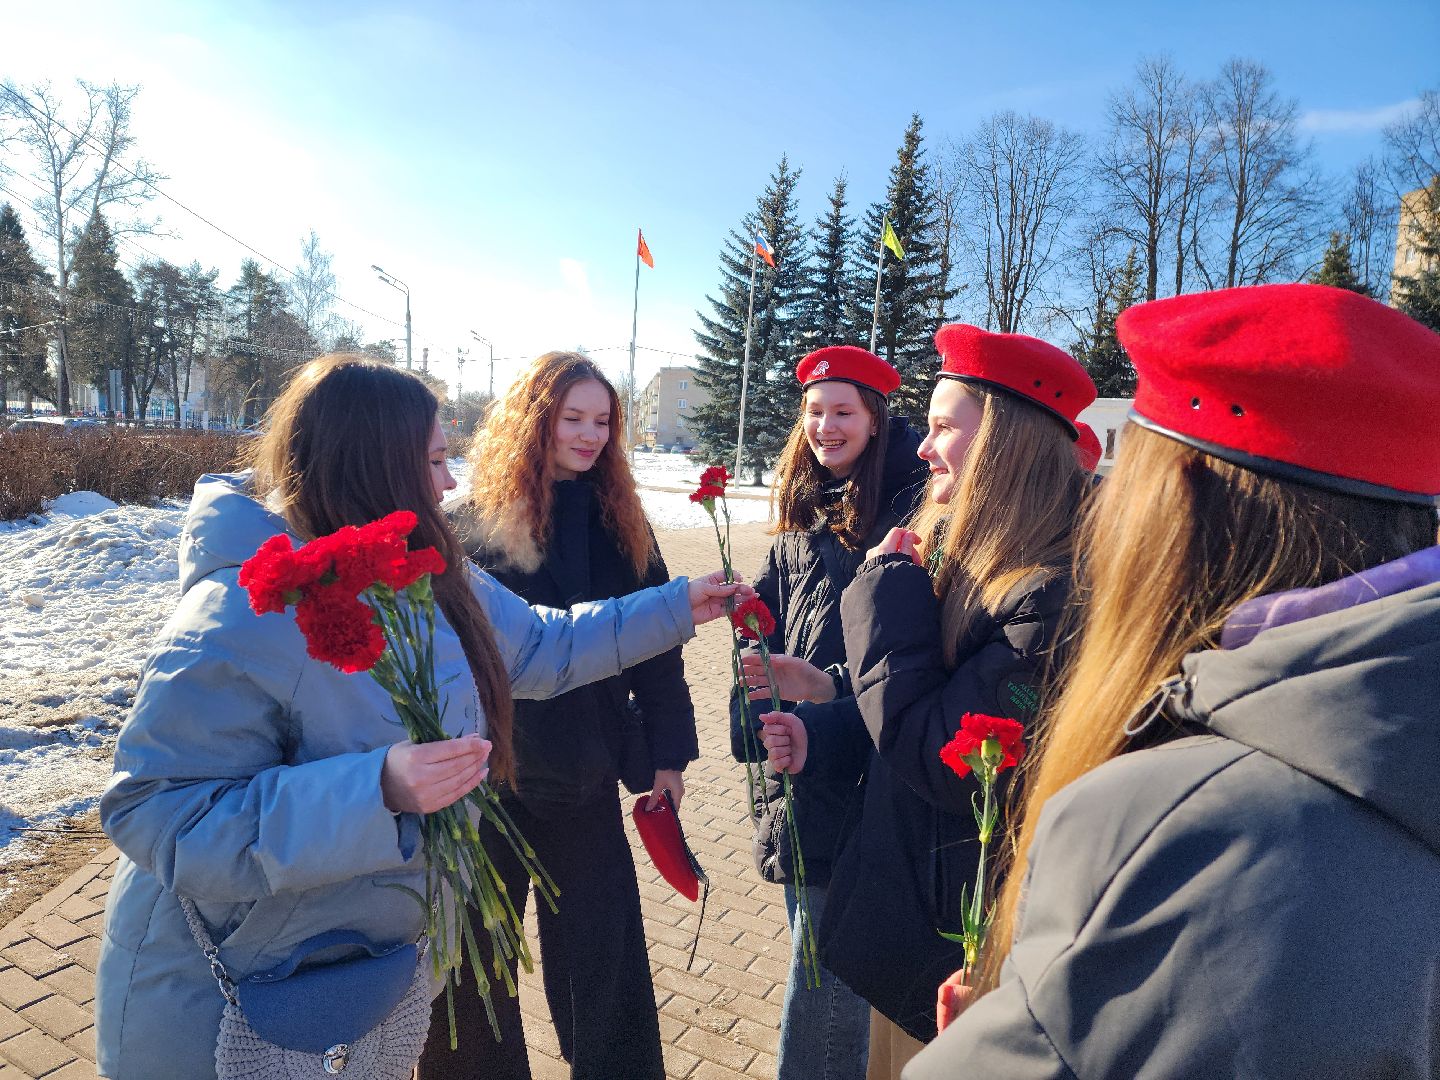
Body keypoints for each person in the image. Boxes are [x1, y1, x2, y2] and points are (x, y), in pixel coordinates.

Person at [94, 354, 747, 1080]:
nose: (447, 480)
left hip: (348, 978)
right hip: (226, 1000)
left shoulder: (423, 569)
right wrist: (375, 790)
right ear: (373, 464)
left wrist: (674, 607)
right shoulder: (238, 612)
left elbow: (541, 645)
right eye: (434, 459)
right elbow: (155, 812)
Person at [907, 284, 1440, 1079]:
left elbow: (925, 742)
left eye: (1130, 479)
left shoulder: (1162, 817)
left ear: (1180, 510)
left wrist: (1014, 1027)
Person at [757, 325, 1094, 1080]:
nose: (923, 445)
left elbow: (945, 759)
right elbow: (920, 702)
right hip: (914, 929)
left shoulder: (1049, 591)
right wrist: (829, 731)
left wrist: (881, 591)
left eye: (944, 425)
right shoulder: (983, 551)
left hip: (956, 947)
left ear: (1004, 444)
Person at [423, 352, 697, 1080]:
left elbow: (661, 650)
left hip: (584, 776)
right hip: (485, 787)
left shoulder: (624, 525)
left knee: (604, 968)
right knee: (472, 970)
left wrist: (667, 757)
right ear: (532, 420)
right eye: (571, 418)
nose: (588, 435)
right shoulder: (469, 526)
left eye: (602, 421)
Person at [730, 345, 925, 1080]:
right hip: (800, 761)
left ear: (875, 419)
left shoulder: (912, 511)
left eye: (842, 411)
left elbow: (912, 652)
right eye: (814, 411)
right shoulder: (808, 502)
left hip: (860, 769)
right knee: (814, 962)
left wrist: (828, 691)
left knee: (824, 978)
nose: (825, 426)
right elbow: (766, 620)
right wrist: (751, 653)